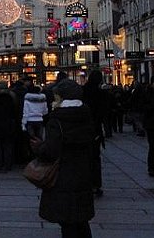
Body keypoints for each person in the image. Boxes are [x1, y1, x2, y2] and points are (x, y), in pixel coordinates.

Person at [30, 79, 95, 238]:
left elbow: (51, 150)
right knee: (80, 219)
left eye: (57, 97)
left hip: (63, 175)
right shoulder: (86, 115)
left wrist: (39, 147)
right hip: (83, 174)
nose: (54, 100)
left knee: (67, 221)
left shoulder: (57, 119)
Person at [81, 70, 107, 197]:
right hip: (94, 130)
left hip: (83, 129)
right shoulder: (99, 93)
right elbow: (102, 113)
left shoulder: (83, 91)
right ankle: (95, 185)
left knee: (84, 158)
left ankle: (85, 184)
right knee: (95, 159)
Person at [0, 81, 17, 173]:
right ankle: (8, 164)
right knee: (8, 145)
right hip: (8, 123)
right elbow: (14, 110)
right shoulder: (11, 97)